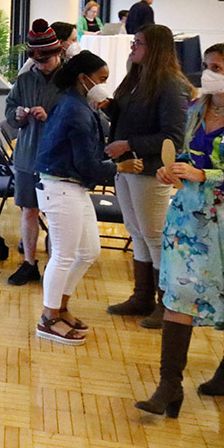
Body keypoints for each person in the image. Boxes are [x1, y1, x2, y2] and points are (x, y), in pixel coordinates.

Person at [135, 43, 224, 417]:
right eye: (206, 65)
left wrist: (204, 174)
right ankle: (168, 386)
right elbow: (184, 155)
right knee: (177, 296)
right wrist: (172, 167)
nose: (207, 72)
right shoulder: (194, 109)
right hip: (189, 220)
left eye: (216, 66)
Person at [33, 51, 144, 345]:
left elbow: (90, 158)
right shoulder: (75, 109)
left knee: (88, 251)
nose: (104, 85)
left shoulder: (82, 105)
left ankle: (61, 307)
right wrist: (119, 166)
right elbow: (88, 165)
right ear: (84, 79)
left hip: (71, 186)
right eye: (102, 79)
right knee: (64, 254)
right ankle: (48, 317)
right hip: (61, 186)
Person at [104, 24, 191, 328]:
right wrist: (109, 107)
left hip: (151, 169)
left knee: (155, 235)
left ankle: (165, 302)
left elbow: (173, 137)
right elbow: (130, 116)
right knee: (136, 230)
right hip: (128, 166)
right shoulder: (138, 77)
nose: (132, 47)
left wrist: (128, 144)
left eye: (138, 43)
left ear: (155, 48)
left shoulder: (171, 84)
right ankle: (142, 296)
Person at [5, 20, 65, 285]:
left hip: (58, 159)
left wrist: (50, 116)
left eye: (47, 59)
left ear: (58, 52)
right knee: (29, 211)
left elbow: (83, 118)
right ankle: (29, 263)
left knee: (56, 215)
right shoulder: (25, 79)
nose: (42, 64)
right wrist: (16, 115)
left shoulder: (71, 81)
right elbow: (10, 108)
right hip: (28, 156)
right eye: (37, 59)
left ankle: (56, 266)